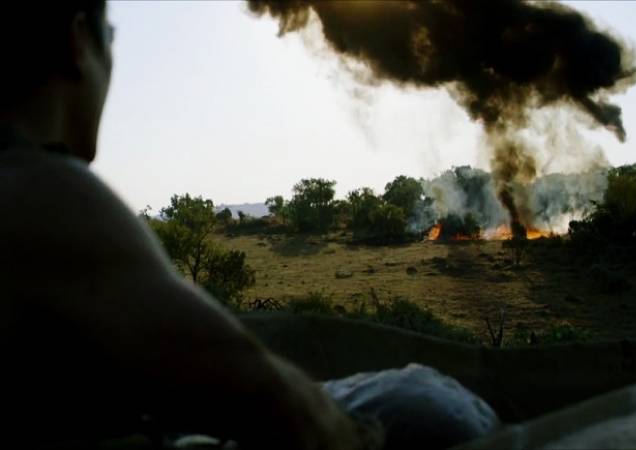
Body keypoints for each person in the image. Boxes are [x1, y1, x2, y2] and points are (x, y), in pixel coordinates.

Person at [0, 2, 375, 448]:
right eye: (114, 38)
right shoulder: (42, 194)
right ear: (78, 41)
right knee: (420, 403)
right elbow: (272, 399)